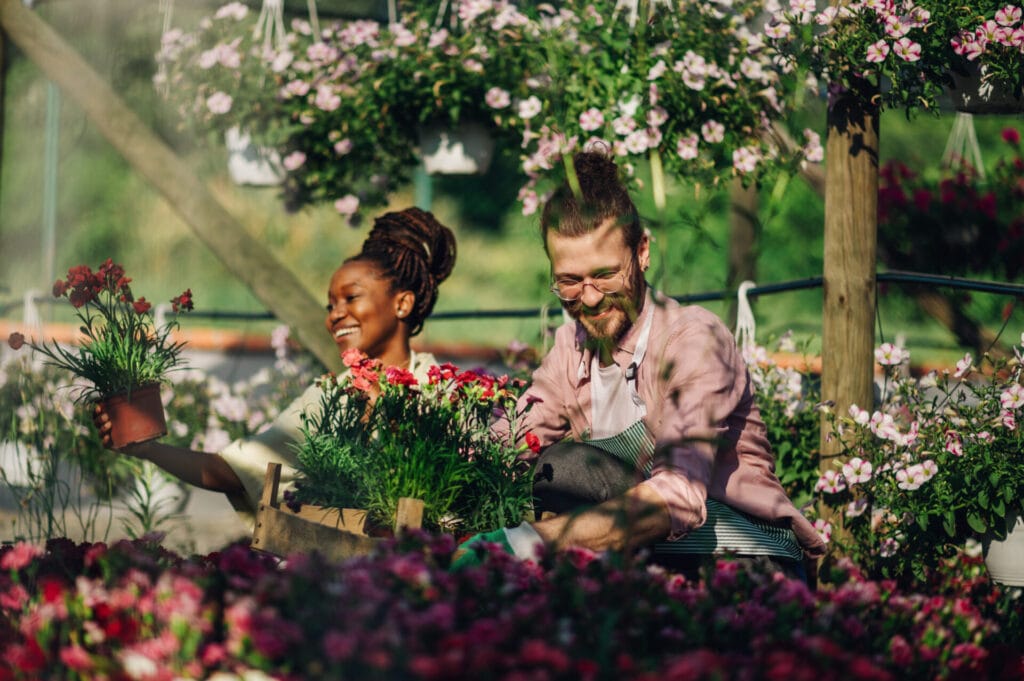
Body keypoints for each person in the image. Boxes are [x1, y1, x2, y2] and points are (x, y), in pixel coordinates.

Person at [459, 151, 825, 578]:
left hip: (744, 558)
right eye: (570, 282)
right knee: (556, 467)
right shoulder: (570, 349)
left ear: (643, 251)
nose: (591, 297)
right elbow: (508, 442)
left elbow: (679, 494)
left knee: (572, 467)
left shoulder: (695, 340)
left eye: (605, 274)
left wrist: (530, 541)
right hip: (646, 558)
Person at [94, 207, 457, 526]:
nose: (335, 315)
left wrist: (390, 416)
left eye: (351, 297)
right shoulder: (329, 396)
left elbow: (456, 503)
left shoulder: (447, 392)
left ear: (403, 304)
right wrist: (145, 449)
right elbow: (235, 471)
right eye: (330, 305)